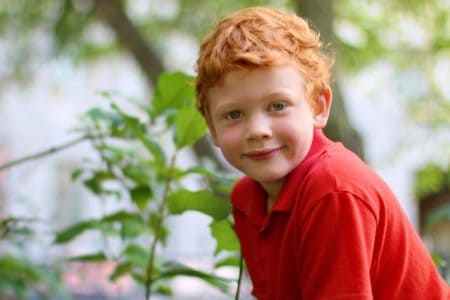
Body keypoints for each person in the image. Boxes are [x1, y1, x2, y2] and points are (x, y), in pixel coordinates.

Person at [194, 6, 450, 300]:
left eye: (277, 106)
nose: (257, 130)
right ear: (212, 128)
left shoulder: (333, 189)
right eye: (234, 114)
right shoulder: (247, 199)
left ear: (319, 106)